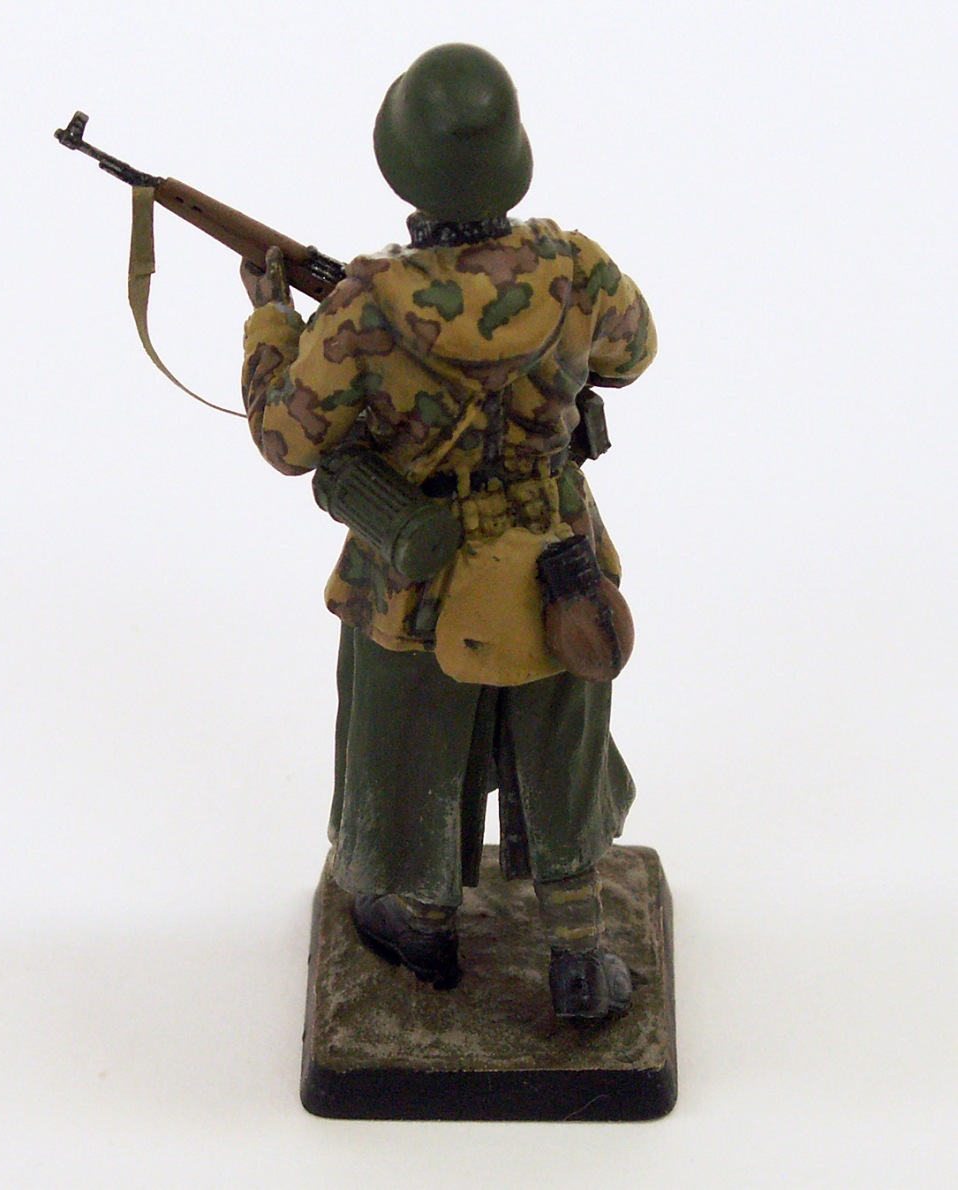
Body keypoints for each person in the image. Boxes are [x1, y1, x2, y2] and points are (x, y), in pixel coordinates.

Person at [240, 44, 656, 1023]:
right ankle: (580, 953)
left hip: (420, 580)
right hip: (558, 562)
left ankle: (418, 915)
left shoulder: (365, 307)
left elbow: (286, 439)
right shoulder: (576, 266)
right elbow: (633, 354)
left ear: (404, 166)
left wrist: (271, 325)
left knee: (410, 741)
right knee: (561, 744)